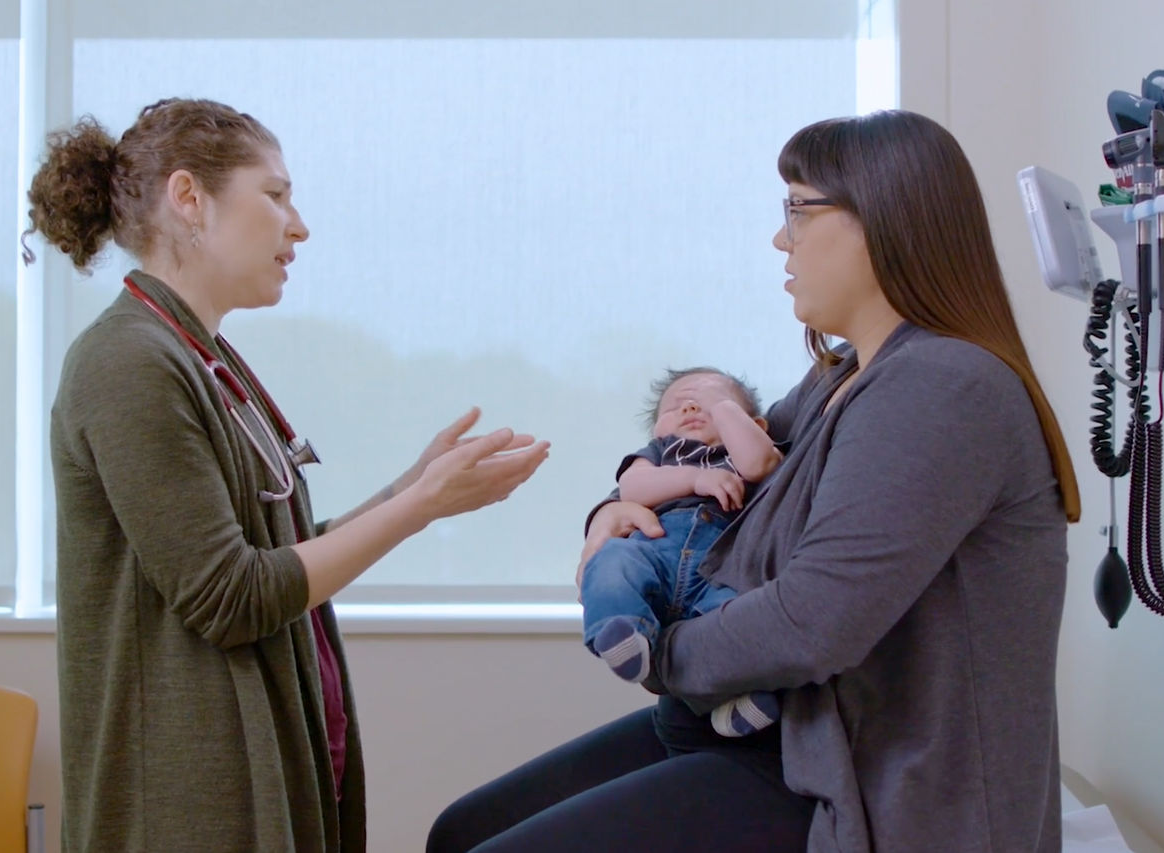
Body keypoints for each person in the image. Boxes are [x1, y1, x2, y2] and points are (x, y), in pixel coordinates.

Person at [425, 109, 1079, 853]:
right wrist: (614, 509)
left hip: (871, 784)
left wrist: (657, 650)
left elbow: (811, 620)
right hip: (789, 733)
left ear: (883, 218)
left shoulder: (943, 387)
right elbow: (714, 468)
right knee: (462, 830)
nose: (781, 238)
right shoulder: (839, 377)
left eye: (798, 209)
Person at [22, 97, 549, 853]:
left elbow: (275, 560)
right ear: (188, 198)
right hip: (182, 804)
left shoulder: (201, 357)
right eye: (274, 194)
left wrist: (414, 489)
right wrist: (420, 506)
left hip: (266, 763)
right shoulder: (127, 363)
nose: (297, 225)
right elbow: (231, 595)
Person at [581, 366, 783, 737]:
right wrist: (694, 478)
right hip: (655, 552)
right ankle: (622, 630)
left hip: (721, 569)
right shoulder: (661, 453)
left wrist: (724, 413)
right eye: (678, 406)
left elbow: (760, 464)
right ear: (658, 429)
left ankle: (737, 699)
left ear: (755, 423)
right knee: (612, 562)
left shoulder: (748, 453)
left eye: (708, 401)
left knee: (735, 619)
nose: (691, 409)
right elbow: (632, 489)